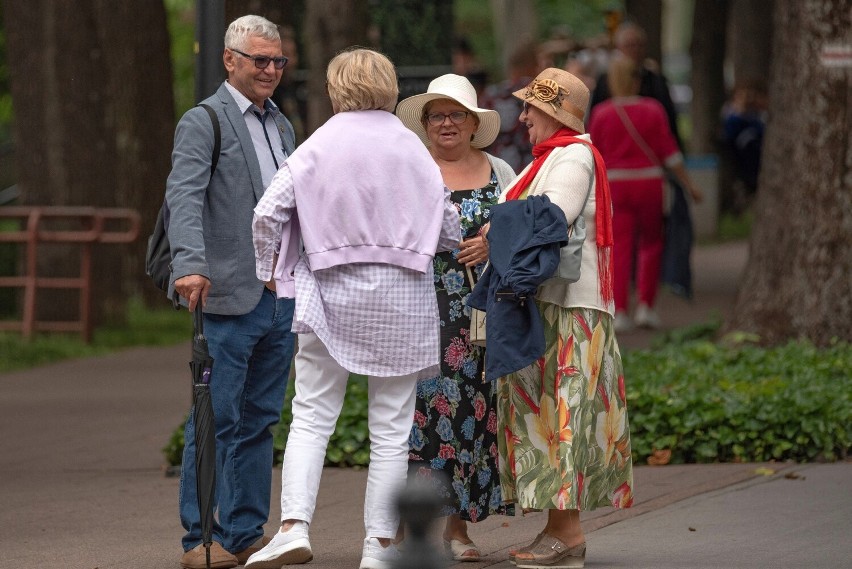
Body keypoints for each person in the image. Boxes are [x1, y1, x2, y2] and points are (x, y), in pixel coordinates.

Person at [246, 48, 461, 569]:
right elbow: (448, 224)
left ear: (335, 88)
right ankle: (379, 546)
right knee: (390, 428)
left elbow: (266, 213)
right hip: (402, 297)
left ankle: (295, 526)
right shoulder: (411, 148)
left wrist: (269, 272)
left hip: (328, 291)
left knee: (312, 415)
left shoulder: (320, 143)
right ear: (389, 87)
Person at [165, 15, 297, 569]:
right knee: (214, 417)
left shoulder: (282, 125)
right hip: (223, 295)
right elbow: (185, 195)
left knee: (261, 419)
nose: (269, 70)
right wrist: (190, 265)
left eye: (277, 61)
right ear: (229, 60)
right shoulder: (205, 121)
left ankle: (244, 533)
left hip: (278, 293)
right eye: (259, 60)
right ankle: (201, 540)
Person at [492, 68, 635, 569]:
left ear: (552, 112)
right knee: (555, 417)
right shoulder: (554, 157)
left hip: (570, 312)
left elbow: (552, 217)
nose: (523, 115)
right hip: (558, 309)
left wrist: (491, 233)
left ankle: (567, 534)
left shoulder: (572, 156)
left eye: (531, 107)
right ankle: (559, 530)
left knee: (564, 418)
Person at [395, 74, 516, 562]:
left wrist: (494, 242)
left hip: (483, 316)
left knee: (476, 416)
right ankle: (410, 529)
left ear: (473, 123)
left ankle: (459, 531)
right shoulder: (411, 169)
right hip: (422, 314)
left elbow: (526, 232)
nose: (446, 123)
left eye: (456, 115)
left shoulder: (502, 171)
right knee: (416, 420)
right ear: (424, 125)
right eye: (436, 115)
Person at [588, 55, 704, 332]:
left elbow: (593, 155)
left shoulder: (602, 113)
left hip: (615, 185)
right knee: (651, 243)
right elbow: (670, 153)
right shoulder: (653, 110)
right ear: (638, 79)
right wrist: (689, 185)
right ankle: (646, 306)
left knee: (618, 247)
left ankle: (621, 310)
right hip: (650, 183)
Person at [590, 21, 682, 150]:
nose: (635, 50)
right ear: (619, 47)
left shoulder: (655, 79)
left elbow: (669, 119)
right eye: (629, 45)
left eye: (639, 45)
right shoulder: (605, 80)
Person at [480, 41, 540, 172]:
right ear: (535, 65)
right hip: (531, 169)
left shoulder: (491, 95)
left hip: (497, 168)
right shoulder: (539, 94)